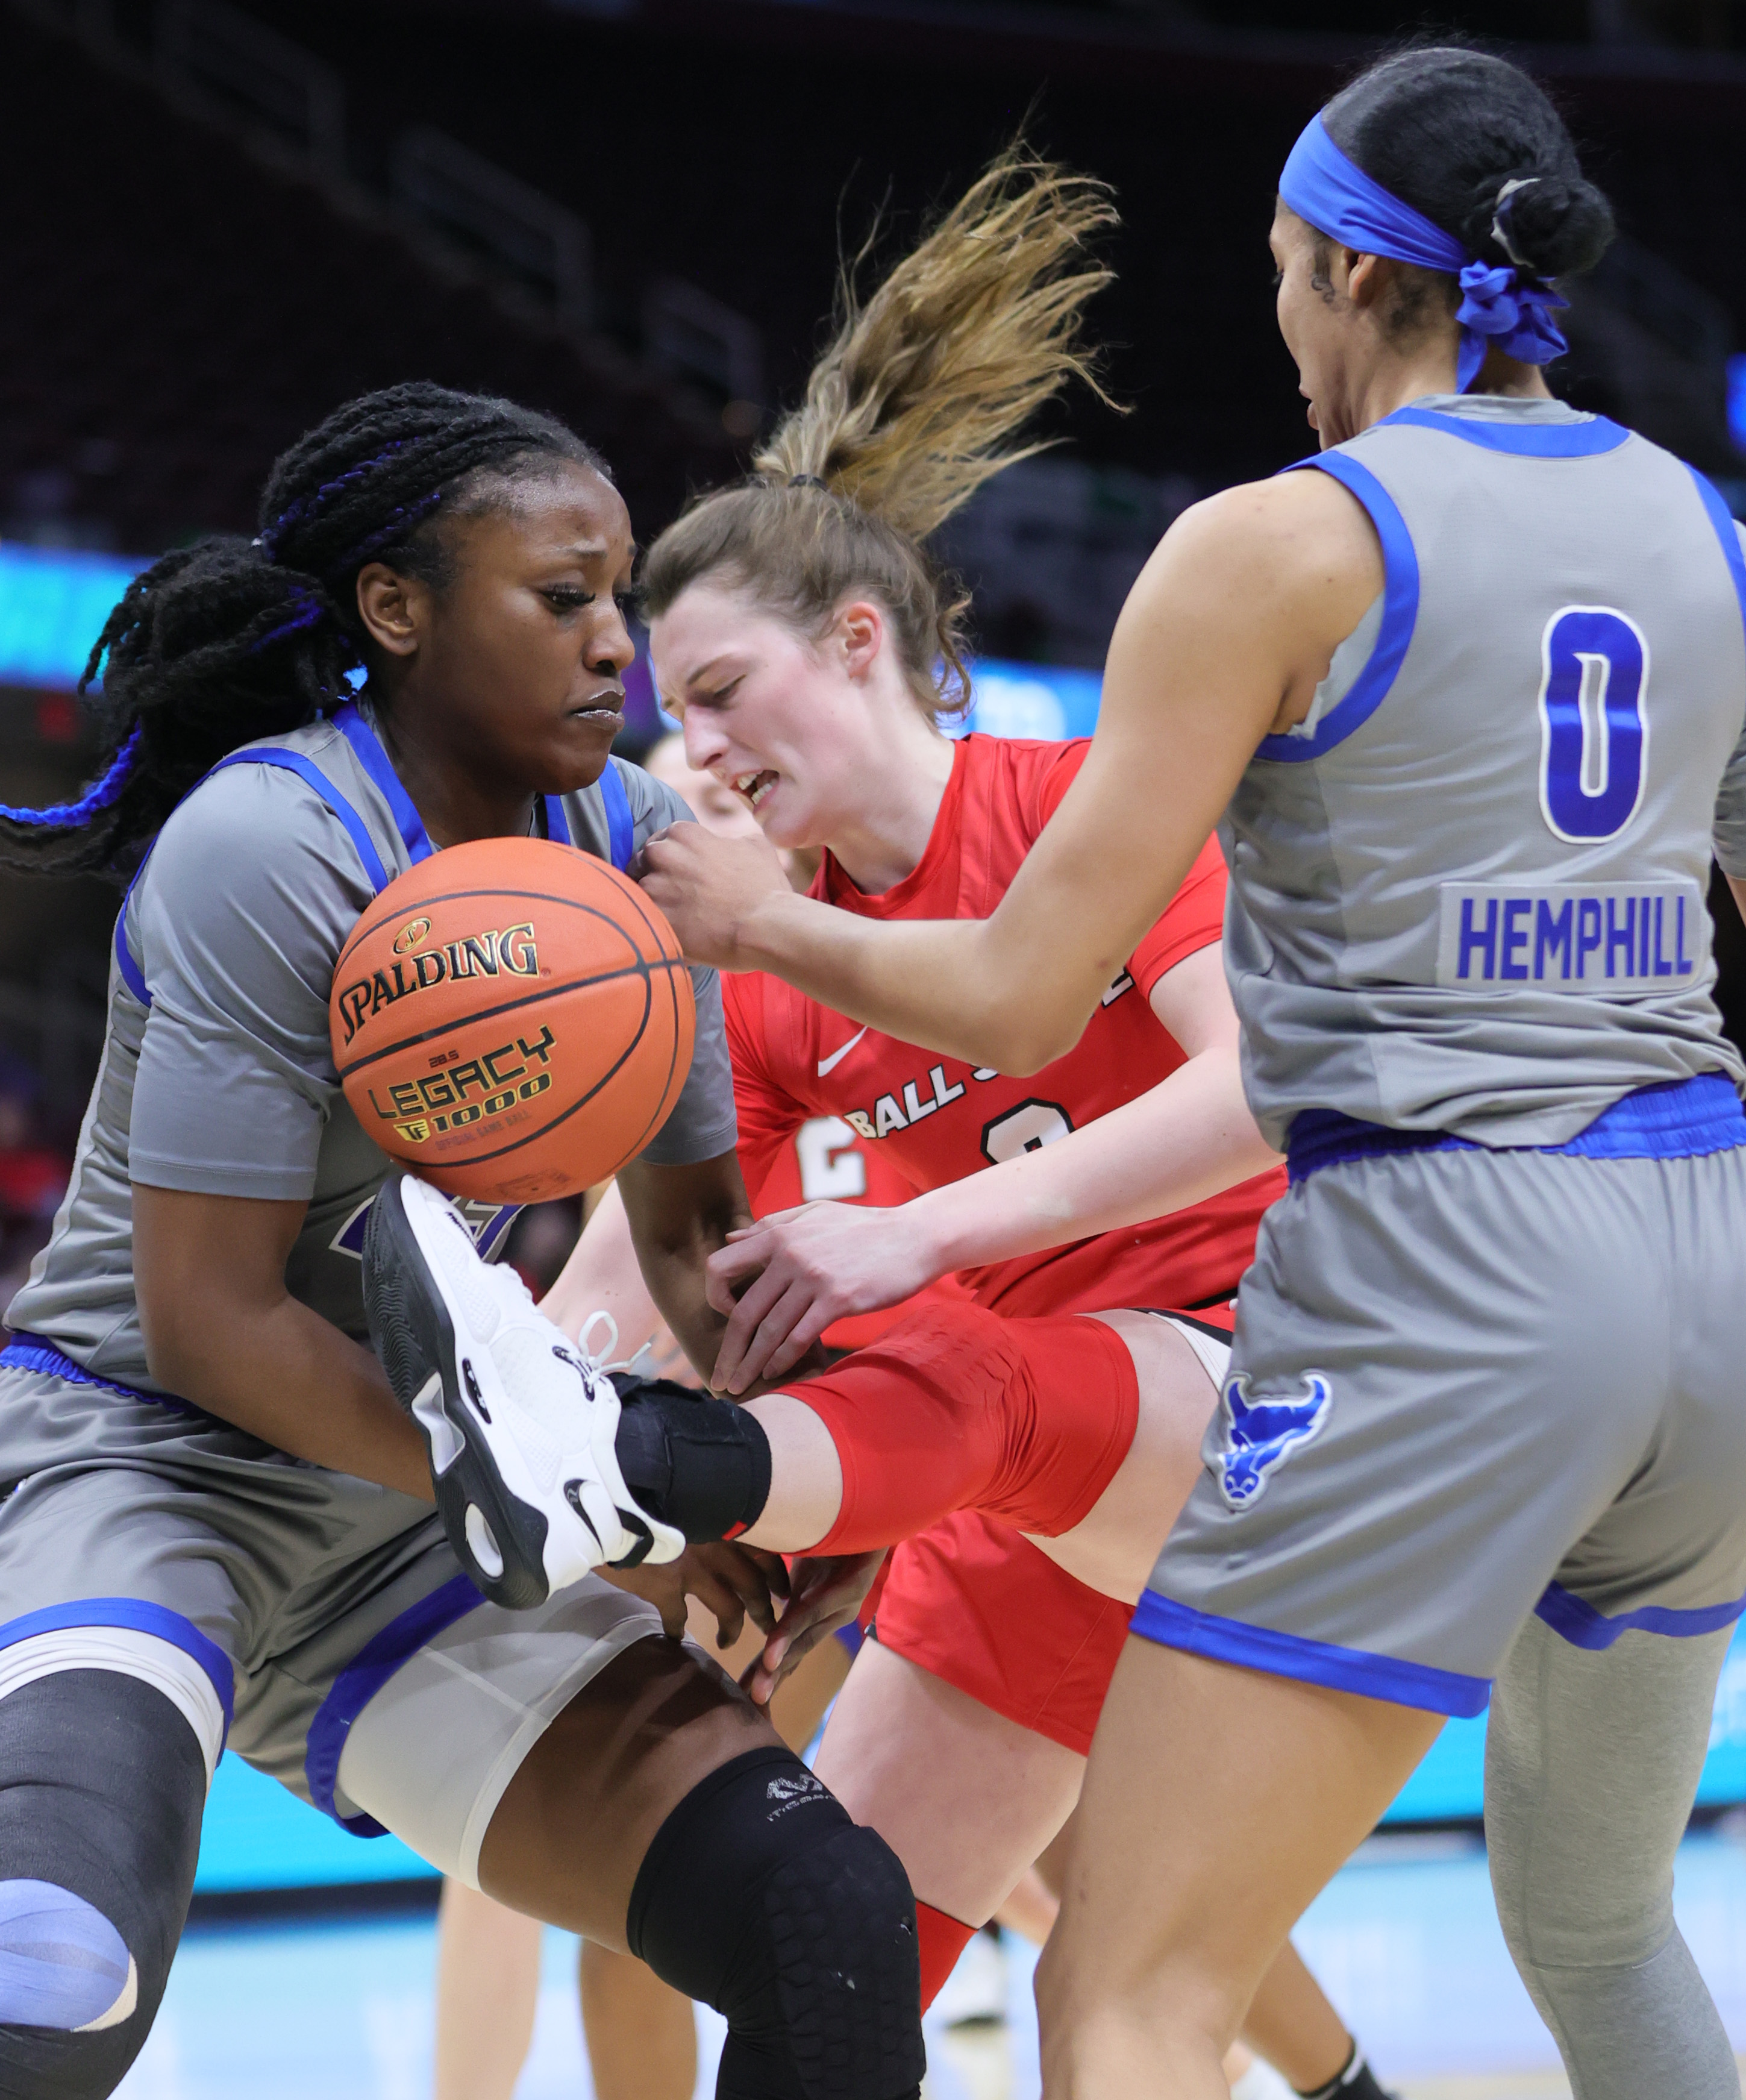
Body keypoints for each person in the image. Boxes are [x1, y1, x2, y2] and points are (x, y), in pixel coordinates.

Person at [631, 44, 1746, 2100]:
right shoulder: (1697, 523)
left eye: (1273, 272)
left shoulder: (1275, 543)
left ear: (1340, 267)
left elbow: (1009, 991)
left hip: (1447, 1272)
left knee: (1130, 1988)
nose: (1273, 318)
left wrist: (748, 916)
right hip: (1708, 1246)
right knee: (1596, 1923)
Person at [366, 153, 1383, 2100]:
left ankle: (677, 1473)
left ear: (856, 644)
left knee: (971, 1368)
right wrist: (446, 1407)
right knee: (822, 1984)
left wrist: (915, 1245)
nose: (698, 752)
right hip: (1009, 1508)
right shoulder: (755, 977)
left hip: (1265, 1413)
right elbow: (646, 1277)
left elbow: (1267, 1087)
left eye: (722, 688)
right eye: (668, 721)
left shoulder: (1077, 807)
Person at [0, 381, 925, 2100]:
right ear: (398, 609)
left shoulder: (633, 842)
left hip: (407, 1529)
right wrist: (574, 1519)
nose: (612, 649)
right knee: (50, 1979)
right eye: (560, 597)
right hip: (142, 1464)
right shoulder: (267, 844)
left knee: (828, 1916)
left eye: (622, 602)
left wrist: (796, 1477)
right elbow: (206, 1323)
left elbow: (699, 1242)